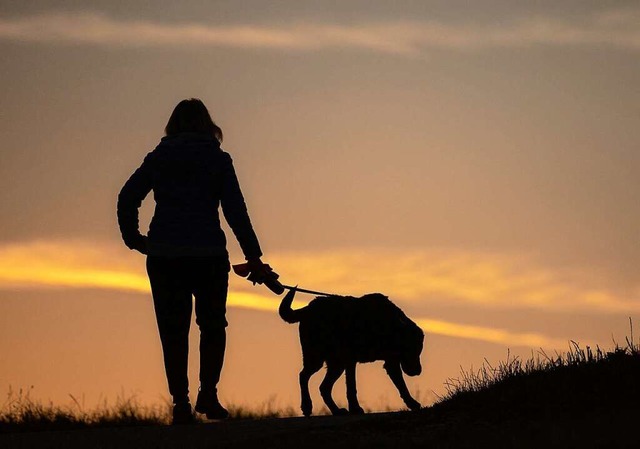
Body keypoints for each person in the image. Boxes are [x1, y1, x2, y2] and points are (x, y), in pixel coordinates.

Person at [117, 98, 268, 424]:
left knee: (173, 331)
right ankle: (208, 395)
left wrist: (135, 239)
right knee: (213, 326)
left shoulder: (159, 158)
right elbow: (235, 211)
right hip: (208, 255)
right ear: (207, 125)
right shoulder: (217, 159)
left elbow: (127, 197)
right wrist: (253, 256)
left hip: (165, 256)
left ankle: (181, 403)